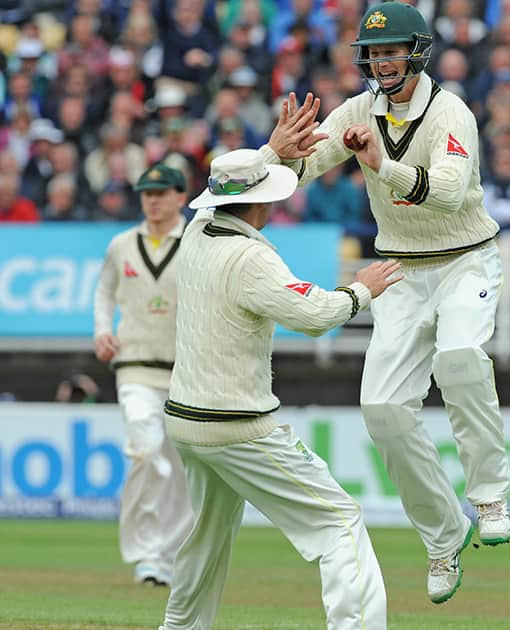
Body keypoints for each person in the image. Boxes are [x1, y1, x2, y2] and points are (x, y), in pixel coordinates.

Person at [259, 1, 510, 605]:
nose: (381, 62)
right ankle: (444, 537)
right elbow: (304, 169)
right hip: (401, 271)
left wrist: (383, 165)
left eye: (391, 50)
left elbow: (449, 197)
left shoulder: (452, 112)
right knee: (382, 410)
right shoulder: (359, 110)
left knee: (459, 360)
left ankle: (491, 494)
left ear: (416, 52)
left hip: (464, 261)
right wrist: (279, 153)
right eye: (373, 53)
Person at [158, 149, 398, 630]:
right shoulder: (251, 258)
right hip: (237, 426)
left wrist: (271, 150)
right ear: (260, 204)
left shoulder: (196, 231)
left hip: (185, 420)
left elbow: (232, 190)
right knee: (340, 522)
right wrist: (363, 288)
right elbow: (316, 317)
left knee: (206, 538)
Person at [93, 162, 194, 587]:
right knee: (145, 447)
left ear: (180, 197)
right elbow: (104, 291)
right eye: (146, 194)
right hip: (135, 366)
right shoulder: (122, 244)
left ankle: (163, 558)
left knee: (180, 468)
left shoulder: (196, 240)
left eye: (161, 193)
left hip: (185, 371)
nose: (152, 201)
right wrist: (102, 330)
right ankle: (143, 550)